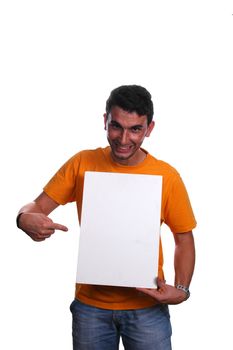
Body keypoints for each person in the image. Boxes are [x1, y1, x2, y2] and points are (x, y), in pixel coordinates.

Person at [17, 85, 196, 350]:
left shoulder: (167, 176)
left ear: (149, 128)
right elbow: (36, 207)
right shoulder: (82, 163)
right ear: (105, 121)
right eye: (116, 126)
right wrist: (23, 218)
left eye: (135, 129)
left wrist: (182, 290)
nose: (124, 139)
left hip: (148, 308)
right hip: (90, 309)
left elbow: (184, 239)